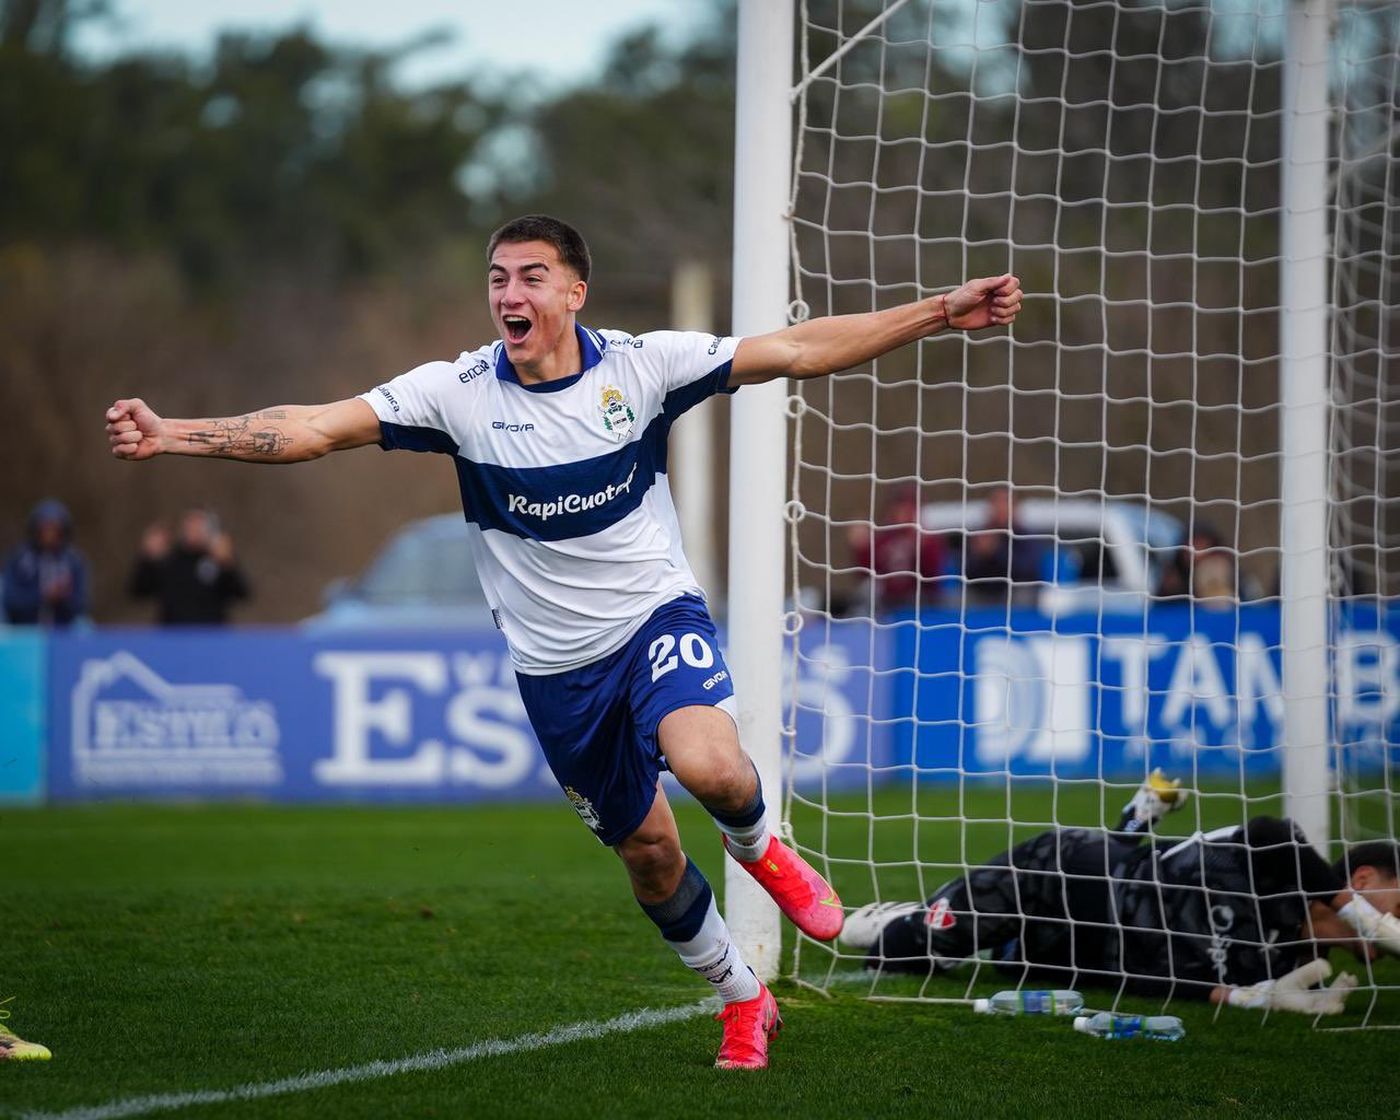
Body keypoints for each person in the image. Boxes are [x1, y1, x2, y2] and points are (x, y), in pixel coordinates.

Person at [105, 214, 1023, 1069]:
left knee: (711, 768)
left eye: (532, 277)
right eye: (498, 279)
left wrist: (937, 311)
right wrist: (173, 435)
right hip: (555, 672)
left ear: (575, 292)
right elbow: (311, 428)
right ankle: (741, 997)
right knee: (650, 856)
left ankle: (767, 854)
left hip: (654, 620)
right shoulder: (455, 395)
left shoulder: (643, 367)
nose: (510, 294)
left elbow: (793, 349)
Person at [842, 773, 1400, 1012]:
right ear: (1363, 880)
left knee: (1011, 964)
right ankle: (918, 915)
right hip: (1057, 874)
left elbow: (1164, 975)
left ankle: (1138, 816)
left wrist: (1244, 997)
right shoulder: (1287, 866)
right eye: (1398, 911)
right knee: (898, 952)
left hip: (1077, 956)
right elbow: (1273, 831)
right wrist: (1363, 918)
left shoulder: (1302, 965)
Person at [128, 508, 250, 625]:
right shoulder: (169, 560)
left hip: (212, 636)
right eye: (190, 525)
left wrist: (228, 564)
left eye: (198, 525)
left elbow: (242, 593)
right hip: (172, 636)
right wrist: (147, 559)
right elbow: (138, 591)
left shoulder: (218, 558)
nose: (193, 529)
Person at [846, 484, 948, 615]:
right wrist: (860, 548)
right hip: (889, 604)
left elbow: (933, 577)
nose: (903, 512)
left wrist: (922, 548)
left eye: (908, 507)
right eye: (899, 507)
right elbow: (865, 572)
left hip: (924, 603)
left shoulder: (929, 539)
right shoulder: (883, 540)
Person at [2, 499, 89, 626]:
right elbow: (10, 600)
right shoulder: (20, 560)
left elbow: (82, 604)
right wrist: (42, 596)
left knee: (84, 625)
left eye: (54, 529)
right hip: (24, 627)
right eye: (46, 529)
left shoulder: (73, 561)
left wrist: (63, 597)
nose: (50, 535)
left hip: (64, 627)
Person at [960, 485, 1043, 605]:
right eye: (997, 502)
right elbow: (966, 572)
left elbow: (1027, 570)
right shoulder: (978, 535)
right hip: (982, 593)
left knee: (1023, 596)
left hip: (1013, 594)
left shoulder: (1026, 537)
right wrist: (980, 555)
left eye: (1006, 502)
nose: (1001, 507)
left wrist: (996, 552)